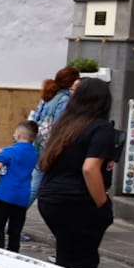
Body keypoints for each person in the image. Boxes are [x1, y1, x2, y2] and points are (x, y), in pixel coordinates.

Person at [37, 77, 117, 268]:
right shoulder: (101, 128)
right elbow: (90, 168)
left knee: (67, 257)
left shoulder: (66, 124)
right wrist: (102, 204)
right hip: (77, 201)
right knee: (83, 263)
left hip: (51, 198)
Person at [0, 121, 39, 254]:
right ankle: (13, 254)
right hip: (22, 196)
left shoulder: (10, 152)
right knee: (15, 231)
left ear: (19, 135)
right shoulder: (34, 153)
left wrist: (0, 157)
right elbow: (19, 155)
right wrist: (0, 150)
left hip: (5, 195)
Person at [30, 67, 79, 202]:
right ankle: (14, 216)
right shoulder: (64, 99)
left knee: (36, 177)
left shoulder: (49, 94)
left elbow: (36, 117)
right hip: (50, 144)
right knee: (37, 182)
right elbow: (58, 125)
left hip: (39, 141)